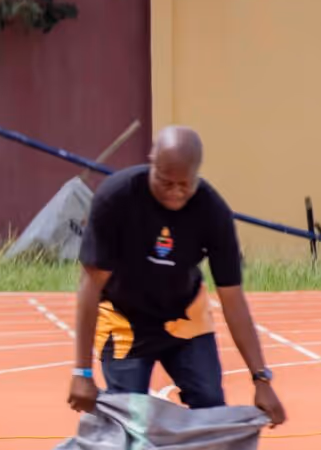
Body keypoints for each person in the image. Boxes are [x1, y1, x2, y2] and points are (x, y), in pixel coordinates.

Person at [68, 125, 288, 426]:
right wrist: (82, 372)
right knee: (126, 420)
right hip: (124, 321)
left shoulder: (213, 211)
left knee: (211, 406)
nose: (174, 193)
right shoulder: (116, 197)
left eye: (184, 184)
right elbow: (91, 285)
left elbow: (232, 298)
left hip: (184, 319)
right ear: (151, 163)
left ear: (197, 174)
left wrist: (261, 379)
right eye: (164, 182)